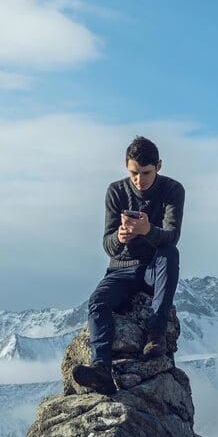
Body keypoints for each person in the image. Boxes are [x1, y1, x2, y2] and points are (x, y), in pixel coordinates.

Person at [72, 136, 184, 395]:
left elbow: (171, 236)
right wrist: (120, 238)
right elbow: (107, 243)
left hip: (153, 268)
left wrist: (147, 231)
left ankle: (155, 334)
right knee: (97, 301)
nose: (139, 180)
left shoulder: (172, 190)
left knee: (170, 253)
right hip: (120, 268)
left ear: (159, 166)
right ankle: (101, 369)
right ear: (126, 166)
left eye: (145, 173)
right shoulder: (116, 191)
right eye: (134, 173)